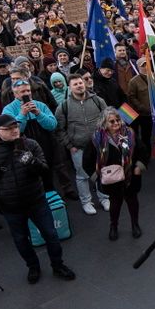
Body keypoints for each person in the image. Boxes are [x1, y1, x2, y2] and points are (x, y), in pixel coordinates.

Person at [0, 114, 75, 283]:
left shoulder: (30, 145)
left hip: (36, 200)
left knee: (51, 235)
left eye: (15, 127)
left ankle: (58, 265)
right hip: (11, 206)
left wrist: (29, 160)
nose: (14, 130)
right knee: (21, 240)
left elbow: (44, 170)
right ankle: (33, 267)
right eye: (8, 128)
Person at [56, 72, 109, 215]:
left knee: (101, 171)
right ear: (70, 87)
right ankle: (86, 201)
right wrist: (70, 146)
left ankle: (104, 197)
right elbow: (59, 129)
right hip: (78, 148)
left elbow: (107, 120)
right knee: (82, 176)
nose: (79, 86)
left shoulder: (98, 101)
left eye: (80, 83)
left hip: (99, 145)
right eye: (75, 84)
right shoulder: (64, 106)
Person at [93, 107, 147, 241]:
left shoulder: (130, 134)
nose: (116, 123)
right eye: (111, 121)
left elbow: (142, 150)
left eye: (118, 120)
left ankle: (135, 224)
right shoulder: (97, 138)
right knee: (115, 204)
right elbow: (88, 160)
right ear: (105, 123)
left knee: (132, 202)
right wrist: (97, 175)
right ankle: (113, 226)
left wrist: (139, 166)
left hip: (130, 177)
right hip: (112, 180)